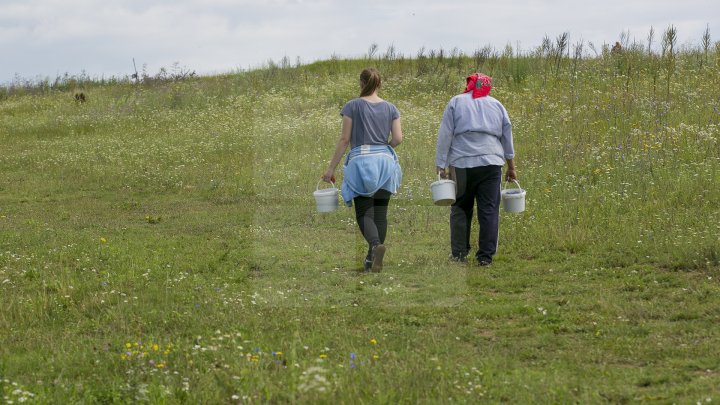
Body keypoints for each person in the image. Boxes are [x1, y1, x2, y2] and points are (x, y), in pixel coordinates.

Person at [322, 68, 403, 272]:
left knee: (364, 212)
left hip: (362, 162)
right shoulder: (391, 108)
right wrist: (384, 149)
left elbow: (344, 139)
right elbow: (398, 139)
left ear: (361, 83)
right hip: (386, 161)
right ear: (379, 84)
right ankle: (371, 258)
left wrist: (331, 168)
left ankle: (375, 246)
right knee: (380, 214)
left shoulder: (352, 106)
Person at [435, 73, 517, 265]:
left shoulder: (456, 102)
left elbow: (445, 134)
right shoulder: (496, 105)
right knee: (489, 209)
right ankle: (485, 257)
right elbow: (507, 135)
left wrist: (441, 165)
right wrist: (511, 166)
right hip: (491, 162)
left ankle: (459, 253)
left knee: (461, 208)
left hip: (462, 162)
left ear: (469, 84)